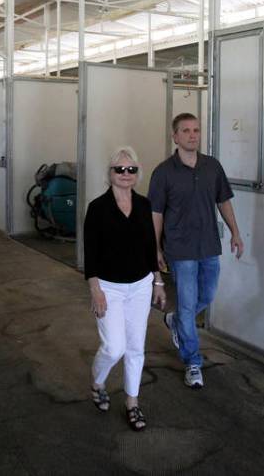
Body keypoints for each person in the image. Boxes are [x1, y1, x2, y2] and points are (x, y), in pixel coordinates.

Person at [148, 113, 244, 389]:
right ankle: (192, 362)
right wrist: (155, 248)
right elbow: (156, 214)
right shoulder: (163, 172)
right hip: (180, 249)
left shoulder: (212, 167)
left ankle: (175, 320)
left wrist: (236, 233)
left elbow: (224, 201)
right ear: (175, 136)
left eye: (196, 130)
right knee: (189, 305)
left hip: (209, 246)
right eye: (186, 131)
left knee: (207, 295)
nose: (192, 135)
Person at [84, 147, 166, 432]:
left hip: (141, 286)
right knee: (114, 347)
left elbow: (149, 248)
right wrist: (95, 289)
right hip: (109, 287)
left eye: (131, 170)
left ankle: (132, 402)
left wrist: (158, 281)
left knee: (135, 348)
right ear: (110, 174)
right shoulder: (97, 208)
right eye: (119, 169)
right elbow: (91, 253)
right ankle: (97, 381)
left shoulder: (144, 205)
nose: (125, 174)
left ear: (137, 173)